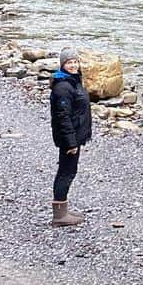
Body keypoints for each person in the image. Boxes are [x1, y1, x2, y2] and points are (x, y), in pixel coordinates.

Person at [49, 47, 92, 227]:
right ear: (63, 64)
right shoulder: (63, 87)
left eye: (75, 61)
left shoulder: (73, 81)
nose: (73, 65)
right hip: (70, 138)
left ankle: (63, 209)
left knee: (68, 171)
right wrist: (71, 142)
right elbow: (62, 117)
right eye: (69, 62)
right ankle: (60, 215)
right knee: (66, 172)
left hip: (75, 135)